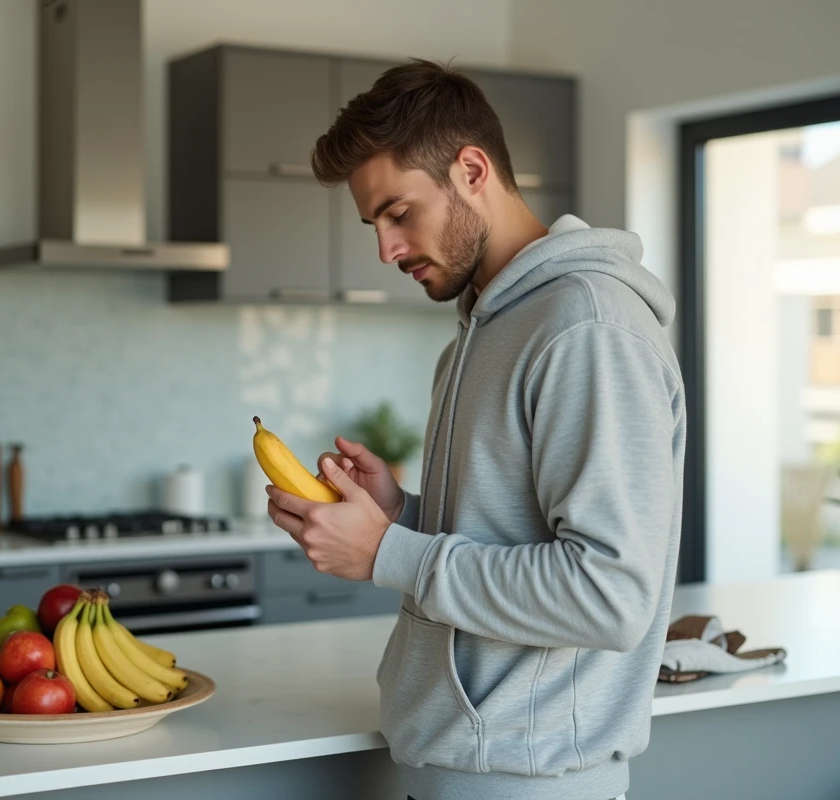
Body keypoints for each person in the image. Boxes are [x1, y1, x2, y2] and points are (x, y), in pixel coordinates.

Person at [264, 58, 686, 800]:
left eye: (399, 213)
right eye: (373, 224)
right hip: (465, 769)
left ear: (470, 169)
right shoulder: (477, 334)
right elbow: (517, 540)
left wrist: (390, 552)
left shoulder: (586, 328)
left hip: (530, 778)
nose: (386, 249)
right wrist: (403, 514)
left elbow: (609, 594)